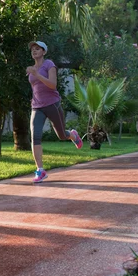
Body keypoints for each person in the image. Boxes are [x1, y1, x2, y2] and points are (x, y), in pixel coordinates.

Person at [26, 41, 82, 183]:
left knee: (62, 135)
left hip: (52, 105)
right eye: (33, 49)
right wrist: (34, 74)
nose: (34, 51)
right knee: (35, 136)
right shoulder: (32, 68)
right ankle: (40, 170)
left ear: (44, 52)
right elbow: (36, 88)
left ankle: (73, 135)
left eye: (37, 49)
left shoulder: (49, 64)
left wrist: (36, 74)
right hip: (37, 106)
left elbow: (52, 85)